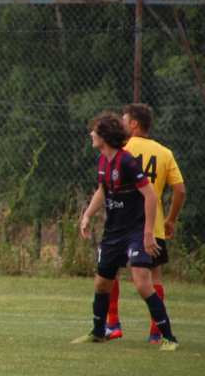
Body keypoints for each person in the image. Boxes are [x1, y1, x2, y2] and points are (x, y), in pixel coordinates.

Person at [72, 112, 178, 351]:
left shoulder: (127, 161)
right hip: (113, 233)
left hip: (135, 231)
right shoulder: (102, 161)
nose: (91, 134)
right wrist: (87, 215)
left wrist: (148, 233)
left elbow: (150, 195)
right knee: (101, 284)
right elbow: (102, 190)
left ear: (104, 136)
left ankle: (169, 337)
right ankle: (98, 332)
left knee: (142, 282)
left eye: (94, 131)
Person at [105, 103, 185, 342]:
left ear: (134, 124)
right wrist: (171, 219)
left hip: (122, 223)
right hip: (154, 224)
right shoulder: (164, 152)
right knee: (154, 277)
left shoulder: (120, 150)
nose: (120, 123)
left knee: (110, 273)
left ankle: (112, 323)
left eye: (123, 119)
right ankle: (156, 332)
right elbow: (180, 190)